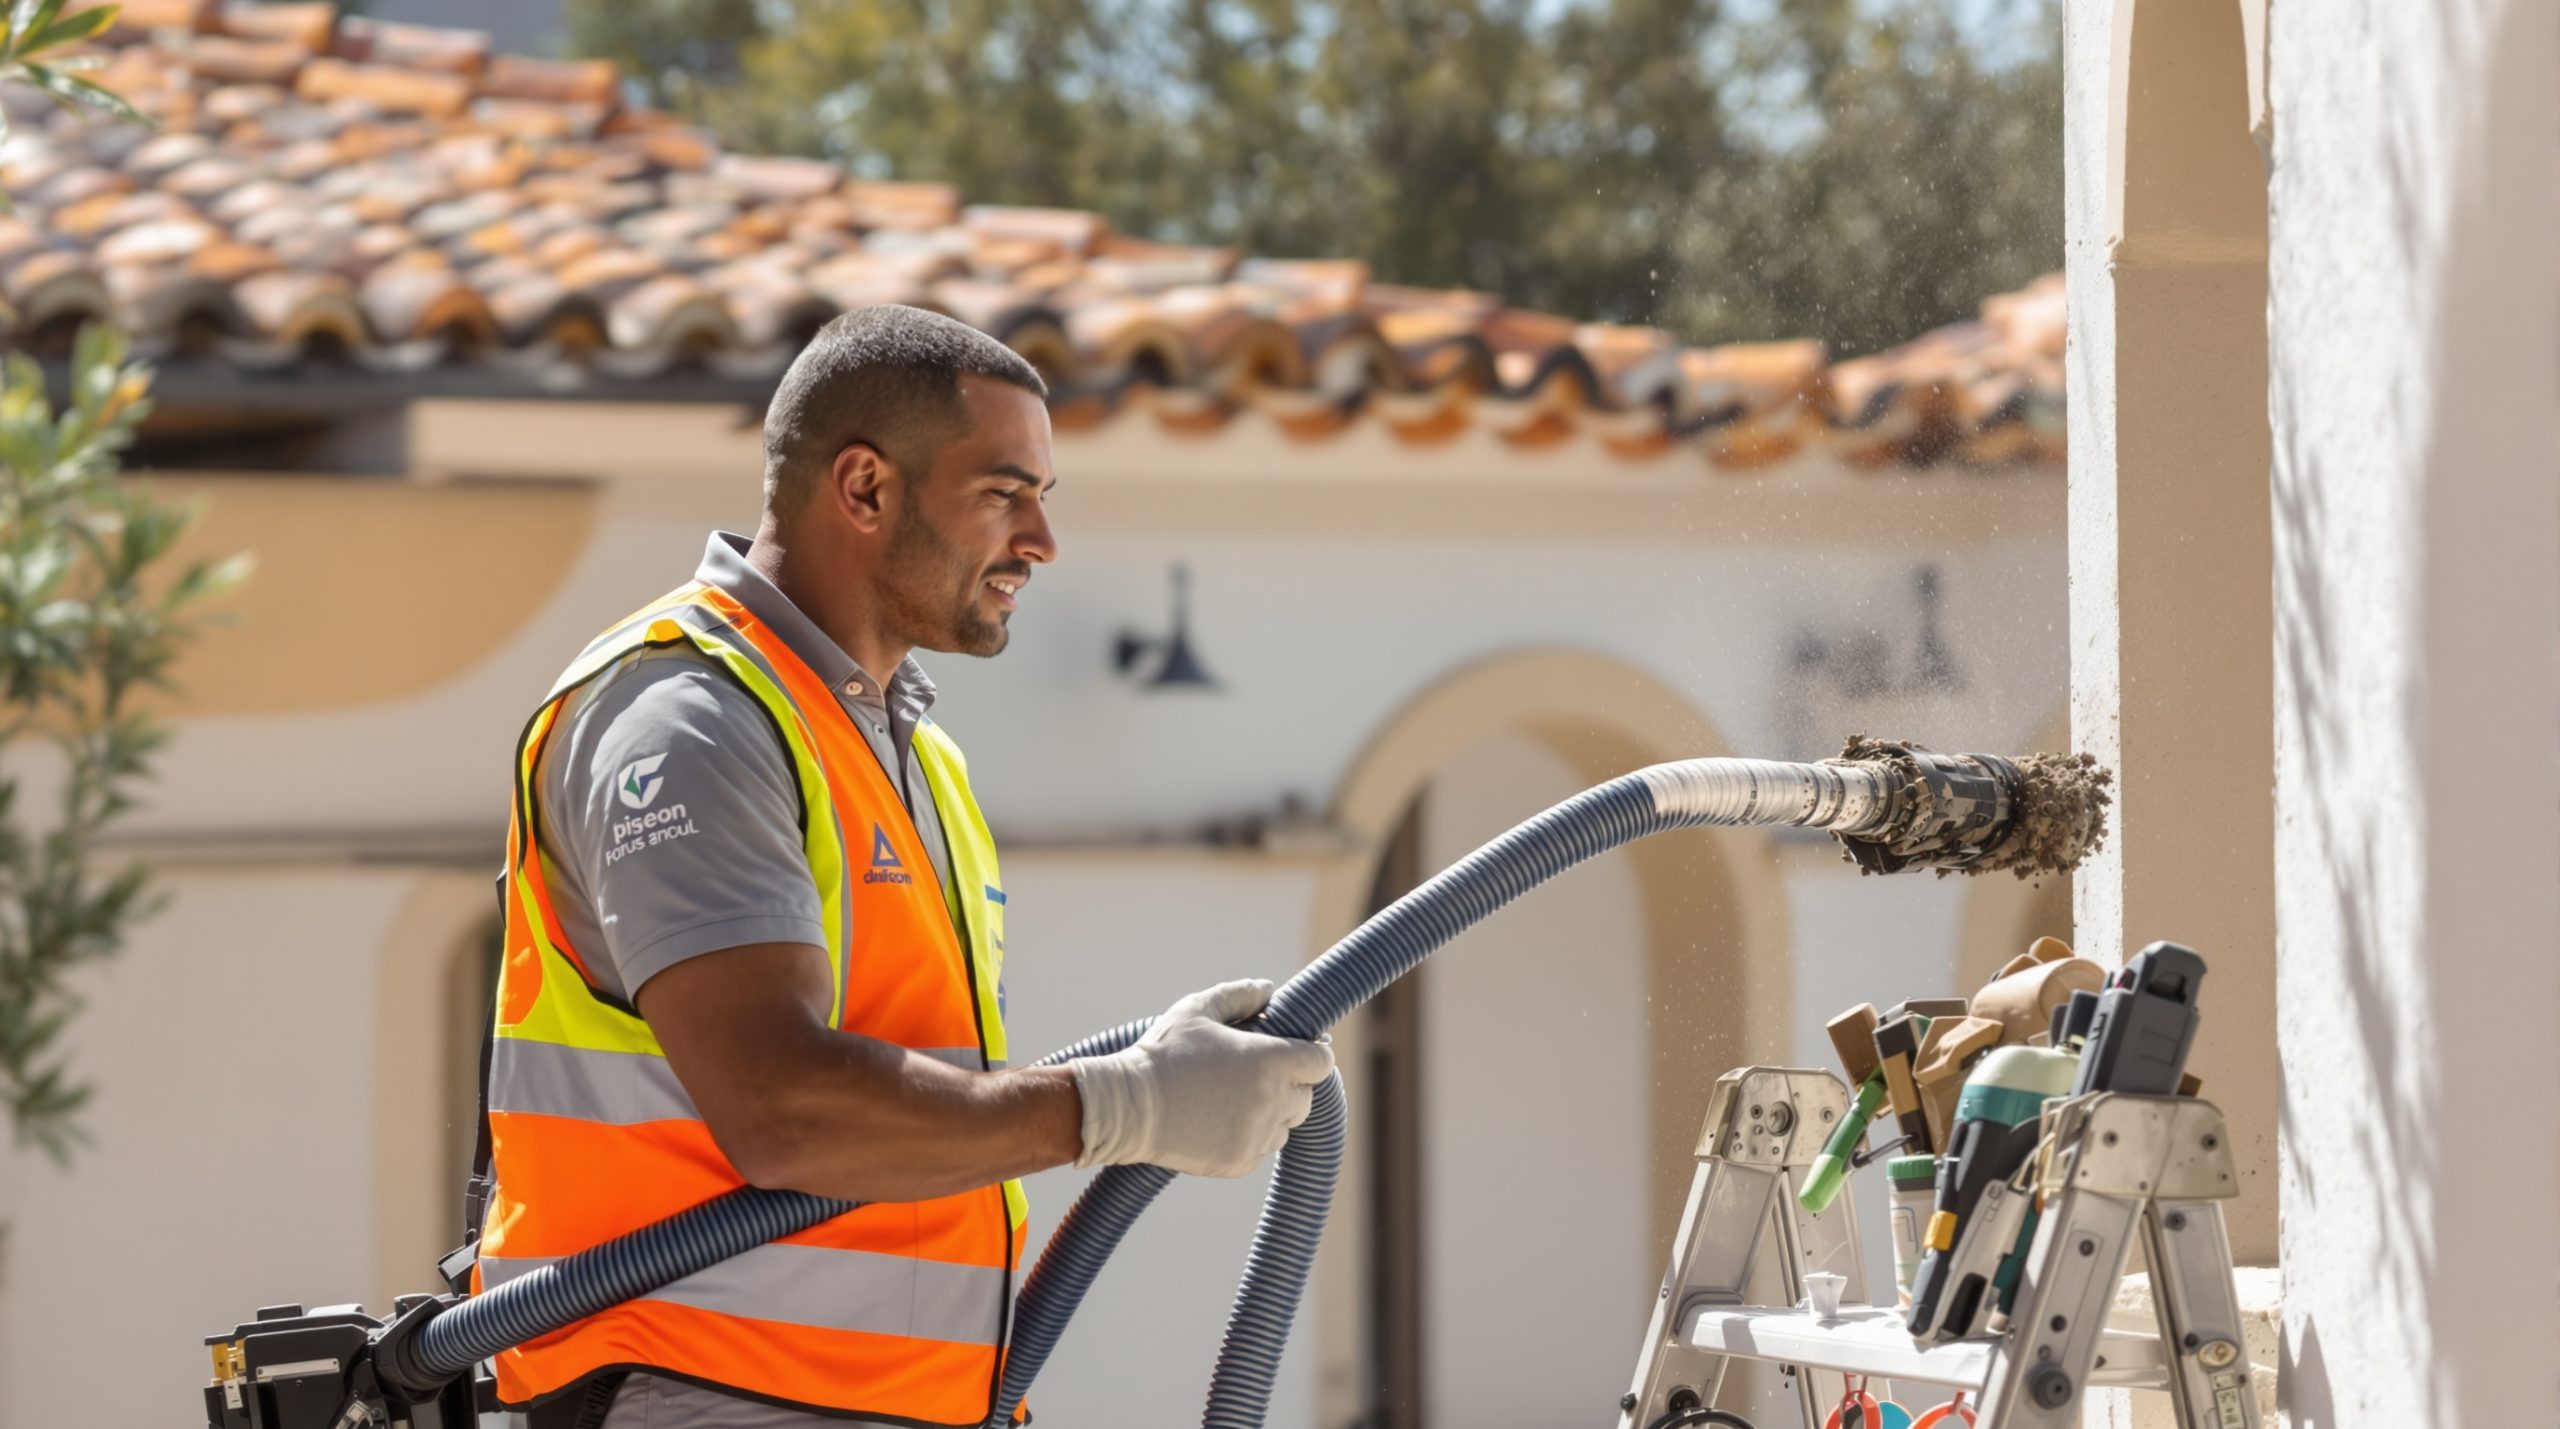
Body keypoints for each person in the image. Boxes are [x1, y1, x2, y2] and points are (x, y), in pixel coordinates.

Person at [471, 305, 1334, 1429]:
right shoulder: (686, 719)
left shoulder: (914, 757)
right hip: (701, 1389)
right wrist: (1116, 1105)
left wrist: (1134, 1098)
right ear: (866, 488)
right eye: (1002, 493)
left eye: (1041, 501)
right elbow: (780, 1107)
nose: (1040, 541)